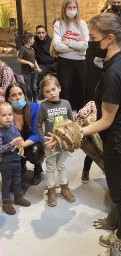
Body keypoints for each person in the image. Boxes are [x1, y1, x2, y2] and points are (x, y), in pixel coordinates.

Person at [69, 12, 121, 255]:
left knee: (120, 194)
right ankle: (117, 225)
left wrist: (79, 129)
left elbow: (107, 120)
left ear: (110, 38)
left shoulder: (114, 73)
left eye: (93, 37)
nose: (90, 41)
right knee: (118, 187)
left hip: (119, 142)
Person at [35, 74, 75, 207]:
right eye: (47, 91)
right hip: (50, 145)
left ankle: (64, 187)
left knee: (62, 165)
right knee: (51, 167)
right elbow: (38, 125)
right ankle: (51, 190)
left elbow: (72, 123)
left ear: (59, 88)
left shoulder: (66, 104)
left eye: (53, 89)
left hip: (63, 144)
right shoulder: (44, 107)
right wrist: (44, 142)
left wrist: (71, 140)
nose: (51, 93)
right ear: (43, 93)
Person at [5, 83, 45, 185]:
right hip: (14, 145)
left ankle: (38, 168)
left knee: (36, 151)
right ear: (9, 99)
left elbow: (37, 134)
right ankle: (21, 165)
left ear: (24, 95)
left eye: (20, 94)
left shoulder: (34, 107)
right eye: (13, 95)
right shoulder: (5, 112)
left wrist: (23, 144)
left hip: (30, 144)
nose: (18, 98)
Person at [53, 0, 89, 111]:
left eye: (74, 7)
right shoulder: (59, 24)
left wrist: (68, 42)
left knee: (81, 92)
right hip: (64, 62)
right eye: (69, 7)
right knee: (65, 90)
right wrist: (77, 45)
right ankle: (65, 119)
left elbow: (85, 46)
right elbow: (57, 46)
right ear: (64, 9)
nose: (72, 10)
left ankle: (81, 119)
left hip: (80, 61)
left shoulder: (82, 24)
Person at [0, 102, 31, 215]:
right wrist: (12, 143)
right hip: (5, 163)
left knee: (18, 180)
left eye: (10, 114)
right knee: (7, 183)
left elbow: (19, 137)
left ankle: (18, 197)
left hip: (17, 160)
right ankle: (6, 202)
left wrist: (21, 143)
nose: (8, 117)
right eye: (3, 115)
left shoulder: (13, 126)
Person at [74, 101, 97, 183]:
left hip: (107, 133)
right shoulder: (93, 104)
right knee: (91, 153)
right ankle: (85, 171)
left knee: (107, 153)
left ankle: (107, 170)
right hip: (93, 134)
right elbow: (82, 113)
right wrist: (92, 115)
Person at [32, 25, 57, 98]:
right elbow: (21, 39)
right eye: (39, 33)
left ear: (46, 33)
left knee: (64, 71)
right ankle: (40, 93)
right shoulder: (34, 42)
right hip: (43, 65)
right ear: (36, 34)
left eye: (43, 33)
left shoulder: (50, 41)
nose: (41, 35)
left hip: (53, 63)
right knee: (38, 73)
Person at [17, 33, 41, 102]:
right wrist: (28, 63)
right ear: (30, 40)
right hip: (27, 72)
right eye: (33, 39)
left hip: (34, 72)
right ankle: (29, 101)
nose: (34, 41)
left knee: (34, 87)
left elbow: (34, 59)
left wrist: (38, 67)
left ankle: (35, 101)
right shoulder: (23, 49)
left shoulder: (32, 49)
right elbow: (19, 59)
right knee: (28, 88)